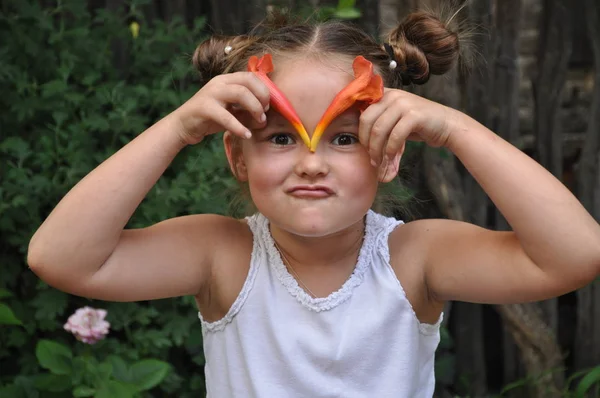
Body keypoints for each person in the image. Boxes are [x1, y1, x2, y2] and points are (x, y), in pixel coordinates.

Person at [27, 9, 600, 398]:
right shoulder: (221, 255)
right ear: (237, 156)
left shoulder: (412, 258)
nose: (311, 161)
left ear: (389, 153)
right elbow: (62, 258)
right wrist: (176, 128)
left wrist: (456, 129)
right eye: (281, 137)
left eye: (344, 137)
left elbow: (575, 255)